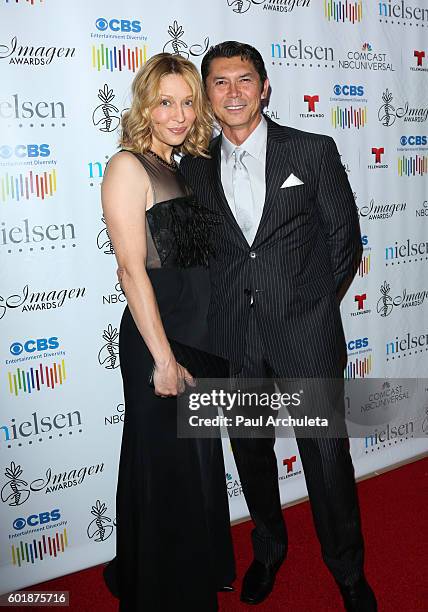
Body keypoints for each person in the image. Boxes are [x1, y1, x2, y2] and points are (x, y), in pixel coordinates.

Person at [180, 41, 377, 611]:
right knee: (251, 453)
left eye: (245, 80)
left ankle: (347, 570)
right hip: (234, 343)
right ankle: (267, 550)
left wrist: (308, 311)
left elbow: (344, 242)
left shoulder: (312, 150)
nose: (234, 92)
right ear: (207, 94)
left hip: (305, 337)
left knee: (326, 457)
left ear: (265, 88)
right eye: (220, 82)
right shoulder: (194, 169)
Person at [101, 52, 235, 612]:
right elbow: (132, 270)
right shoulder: (127, 166)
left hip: (198, 338)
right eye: (166, 102)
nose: (179, 115)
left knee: (195, 463)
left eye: (187, 102)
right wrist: (161, 358)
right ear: (145, 105)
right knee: (163, 463)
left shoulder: (182, 167)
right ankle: (160, 588)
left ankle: (178, 567)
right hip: (160, 341)